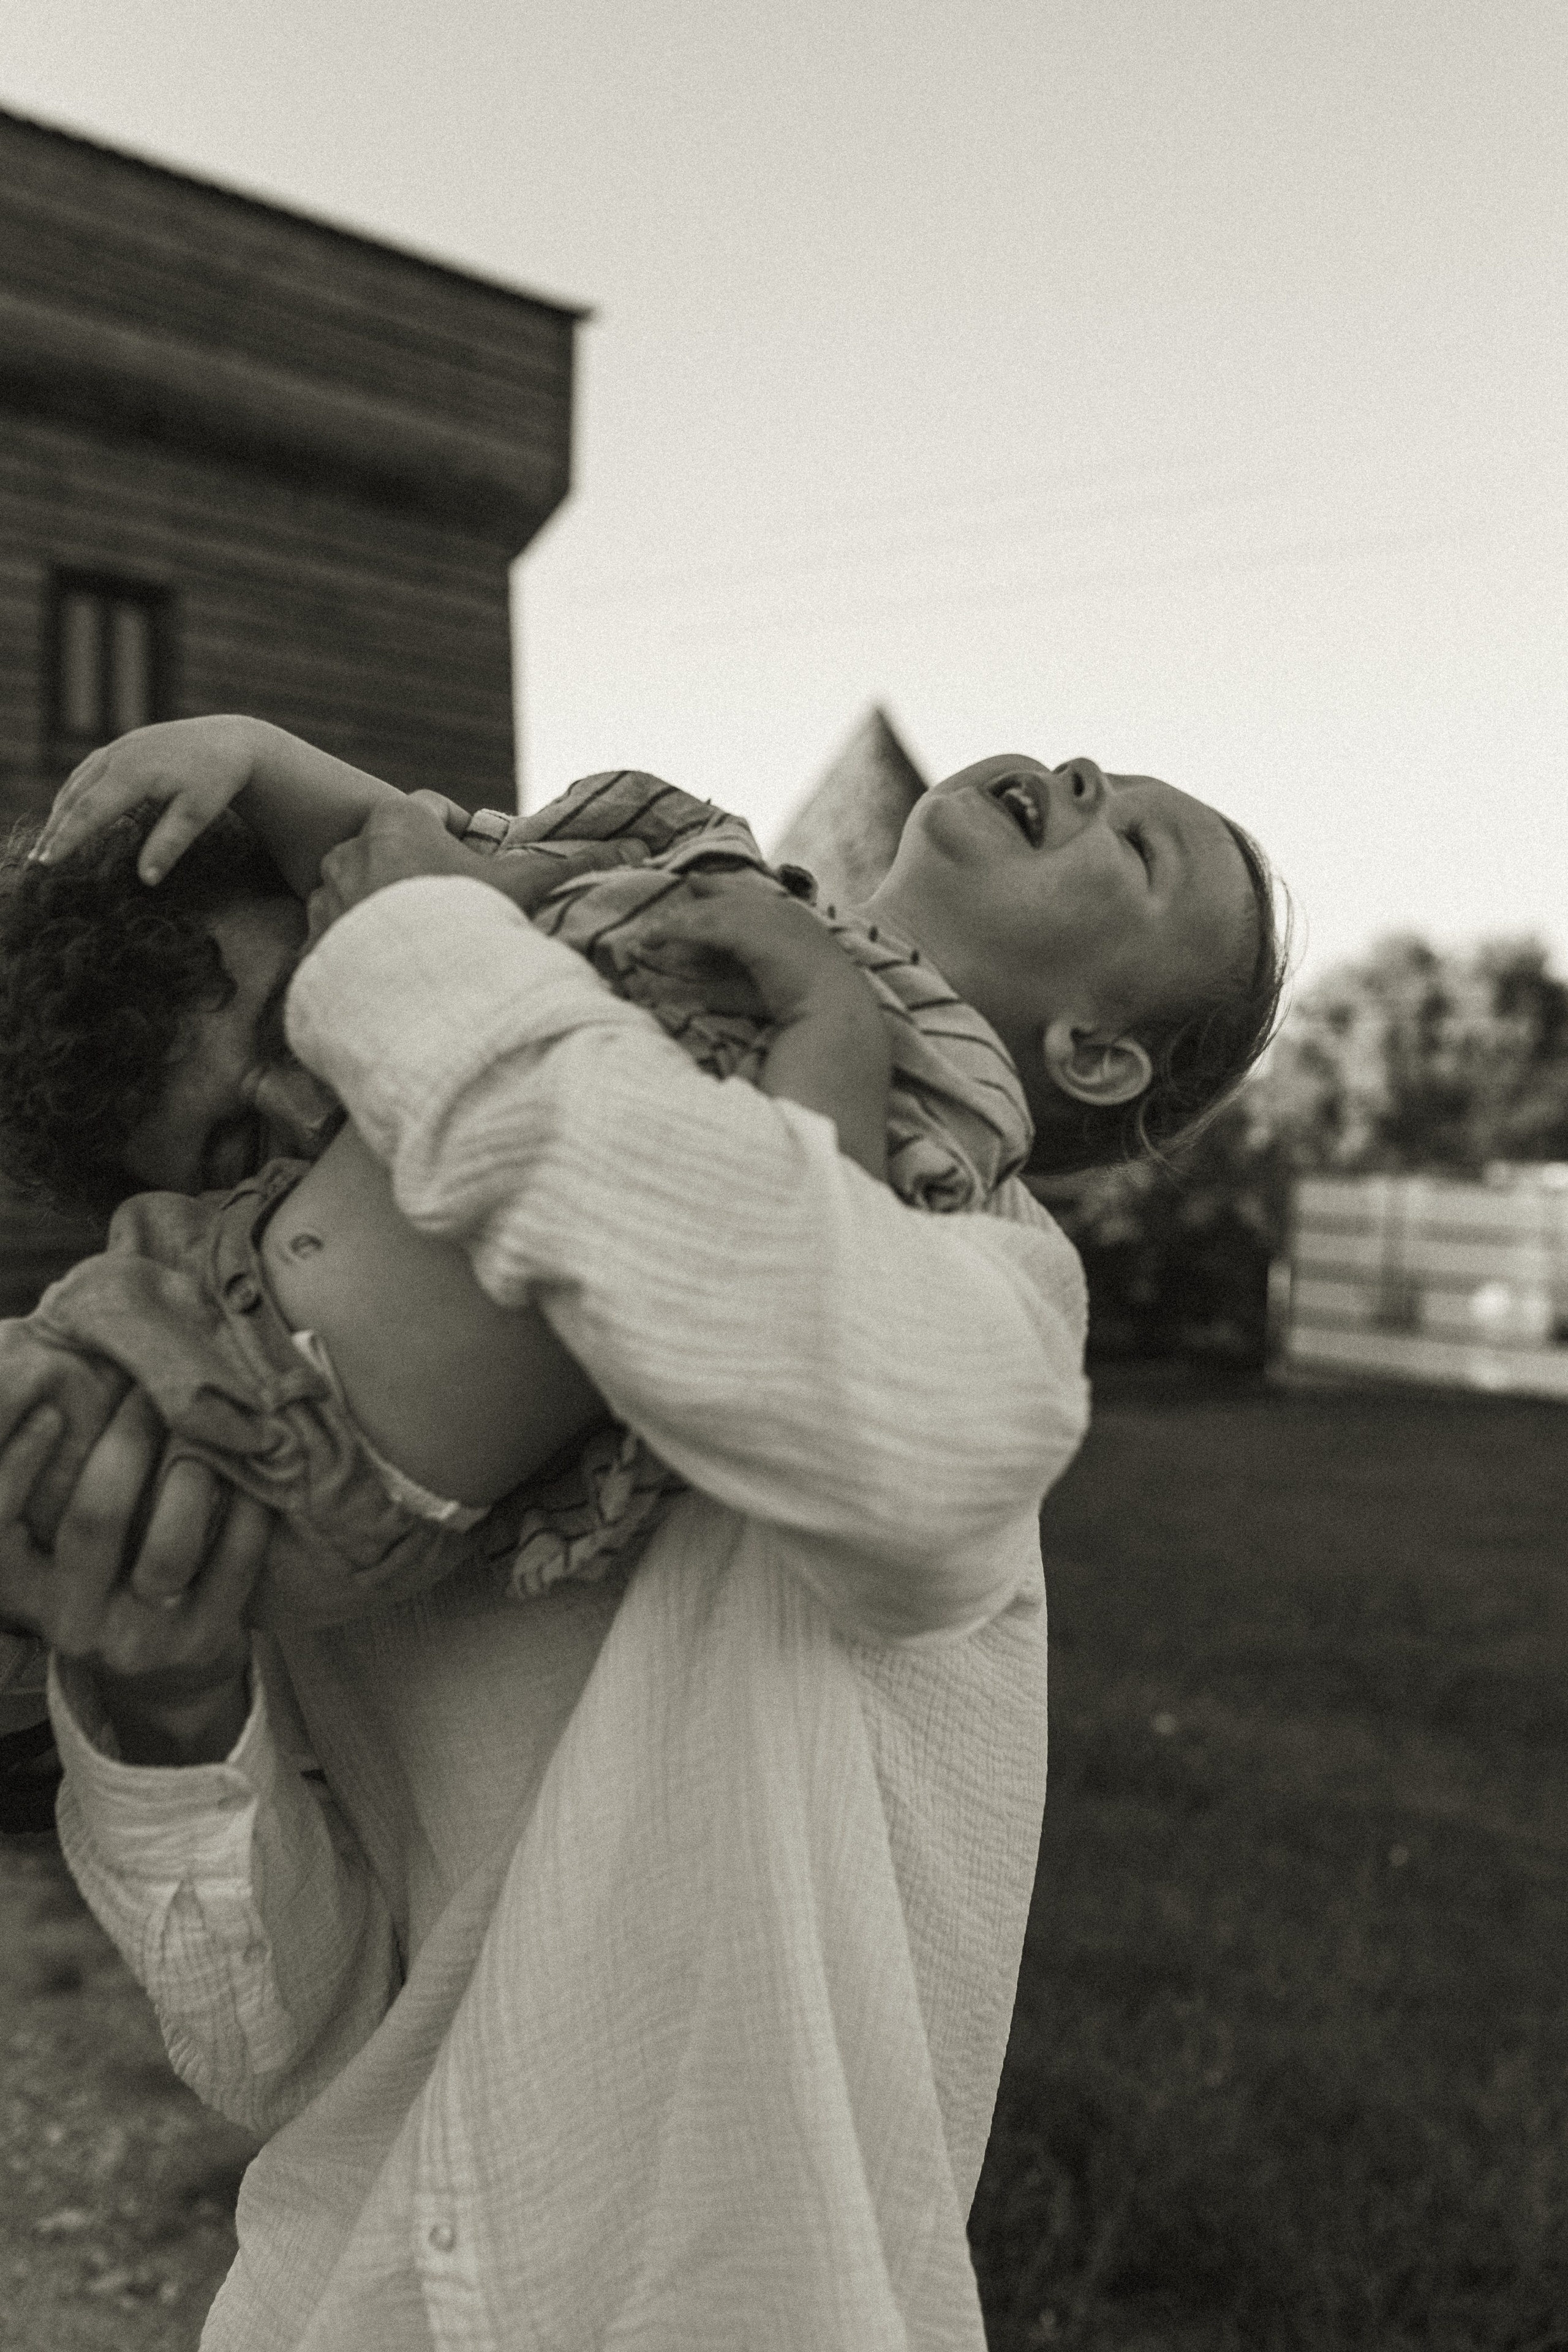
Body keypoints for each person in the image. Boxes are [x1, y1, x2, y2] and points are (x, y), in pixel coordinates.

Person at [0, 720, 1284, 2348]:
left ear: (1097, 1056)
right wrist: (166, 1711)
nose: (326, 1078)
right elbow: (274, 2047)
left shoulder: (965, 1276)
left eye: (316, 1010)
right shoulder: (358, 1300)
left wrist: (431, 957)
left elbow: (804, 1306)